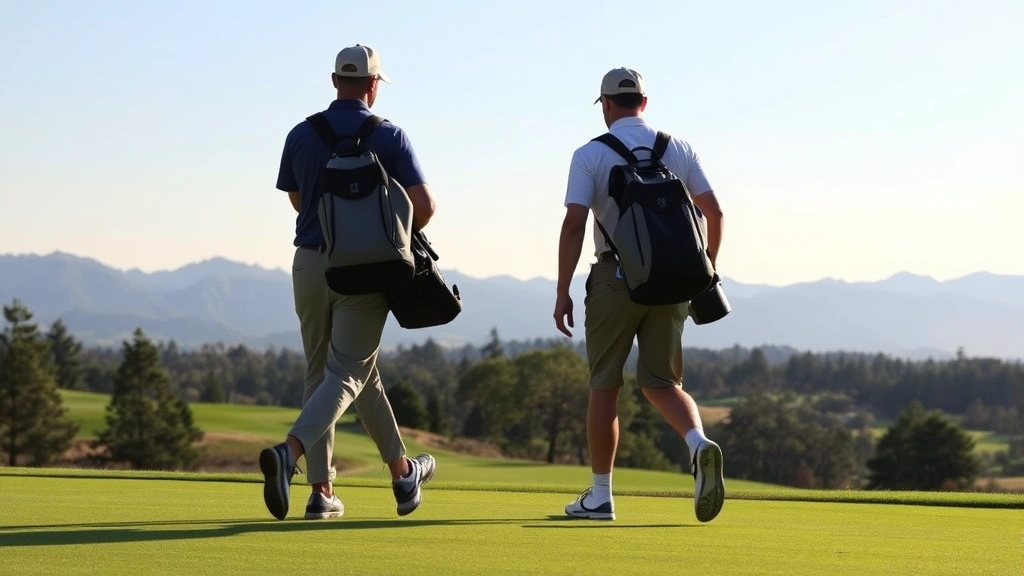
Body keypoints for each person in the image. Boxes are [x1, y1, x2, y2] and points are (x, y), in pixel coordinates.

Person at [263, 44, 438, 521]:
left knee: (331, 371)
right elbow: (424, 207)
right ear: (374, 84)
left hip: (310, 265)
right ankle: (290, 454)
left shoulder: (301, 134)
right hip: (363, 272)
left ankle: (383, 478)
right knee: (347, 373)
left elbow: (299, 201)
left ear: (334, 81)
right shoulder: (390, 136)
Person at [553, 67, 726, 523]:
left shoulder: (590, 154)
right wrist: (704, 272)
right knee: (664, 384)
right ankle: (698, 443)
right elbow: (714, 212)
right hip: (674, 283)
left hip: (614, 280)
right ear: (644, 103)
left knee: (604, 385)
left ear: (606, 104)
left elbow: (574, 224)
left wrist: (563, 290)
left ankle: (601, 496)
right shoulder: (679, 148)